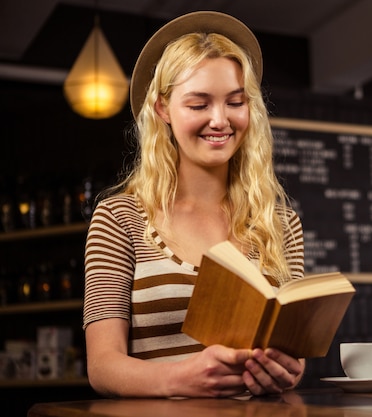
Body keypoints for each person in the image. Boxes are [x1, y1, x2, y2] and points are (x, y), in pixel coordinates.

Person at [83, 11, 306, 398]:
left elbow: (293, 357)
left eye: (235, 102)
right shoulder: (119, 218)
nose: (220, 120)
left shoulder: (281, 223)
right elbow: (102, 366)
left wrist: (288, 370)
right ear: (163, 110)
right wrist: (178, 379)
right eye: (199, 104)